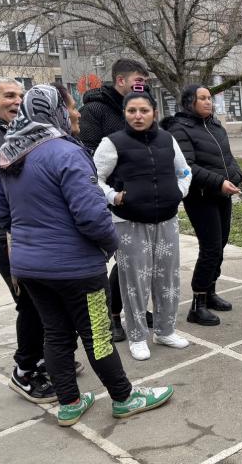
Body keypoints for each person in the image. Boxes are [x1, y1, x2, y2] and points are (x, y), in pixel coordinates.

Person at [0, 84, 174, 427]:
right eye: (71, 107)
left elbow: (4, 215)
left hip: (31, 269)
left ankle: (70, 403)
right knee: (99, 333)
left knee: (56, 334)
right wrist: (109, 245)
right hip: (77, 270)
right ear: (54, 112)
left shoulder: (10, 154)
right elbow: (92, 215)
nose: (76, 113)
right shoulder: (67, 152)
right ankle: (124, 397)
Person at [0, 77, 57, 403]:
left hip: (21, 228)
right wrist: (20, 211)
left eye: (21, 94)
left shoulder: (14, 131)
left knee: (41, 296)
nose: (17, 100)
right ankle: (24, 371)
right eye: (9, 95)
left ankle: (47, 359)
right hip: (0, 232)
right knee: (30, 300)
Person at [94, 89, 191, 360]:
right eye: (132, 111)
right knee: (134, 280)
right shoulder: (112, 142)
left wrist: (178, 191)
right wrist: (113, 196)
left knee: (168, 276)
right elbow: (93, 178)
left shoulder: (168, 139)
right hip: (128, 223)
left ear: (154, 113)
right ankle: (137, 336)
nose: (138, 116)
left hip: (167, 220)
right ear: (124, 114)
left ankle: (165, 330)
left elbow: (184, 171)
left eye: (144, 111)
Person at [78, 58, 151, 343]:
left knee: (140, 260)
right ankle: (112, 315)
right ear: (121, 81)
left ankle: (136, 310)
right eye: (137, 80)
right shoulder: (94, 110)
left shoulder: (136, 108)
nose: (142, 86)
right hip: (111, 199)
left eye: (144, 82)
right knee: (123, 260)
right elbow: (90, 155)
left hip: (141, 197)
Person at [163, 85, 242, 326]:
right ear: (190, 102)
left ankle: (210, 292)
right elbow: (187, 166)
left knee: (220, 244)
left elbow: (226, 157)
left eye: (210, 98)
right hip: (200, 197)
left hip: (221, 195)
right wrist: (219, 182)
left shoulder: (215, 125)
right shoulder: (180, 128)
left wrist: (236, 175)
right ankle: (197, 304)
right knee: (211, 248)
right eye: (202, 98)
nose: (208, 102)